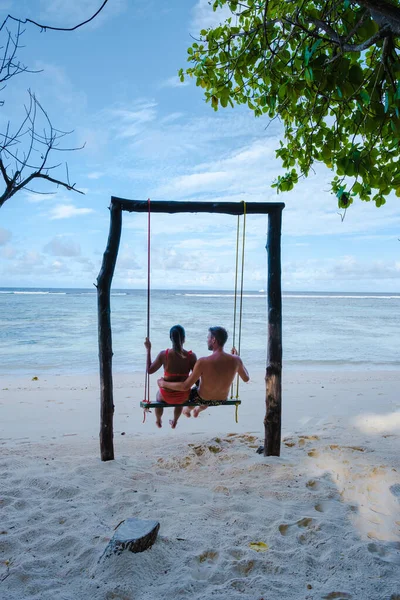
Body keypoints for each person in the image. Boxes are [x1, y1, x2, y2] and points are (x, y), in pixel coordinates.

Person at [157, 326, 249, 418]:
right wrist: (238, 358)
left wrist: (163, 383)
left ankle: (187, 410)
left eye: (208, 338)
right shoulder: (236, 360)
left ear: (213, 340)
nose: (207, 340)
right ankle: (198, 410)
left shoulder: (203, 362)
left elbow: (185, 386)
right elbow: (246, 378)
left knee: (194, 393)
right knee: (202, 390)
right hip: (221, 399)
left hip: (202, 399)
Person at [144, 325, 197, 429]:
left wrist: (148, 350)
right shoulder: (191, 356)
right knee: (180, 400)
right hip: (183, 395)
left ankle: (158, 420)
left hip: (166, 395)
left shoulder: (164, 355)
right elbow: (197, 378)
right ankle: (175, 421)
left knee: (158, 398)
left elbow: (150, 370)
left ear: (170, 338)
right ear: (184, 339)